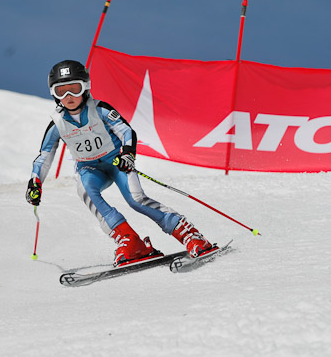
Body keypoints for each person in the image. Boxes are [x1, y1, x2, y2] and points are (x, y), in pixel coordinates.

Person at [26, 60, 214, 267]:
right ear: (53, 94)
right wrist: (35, 182)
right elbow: (44, 156)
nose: (68, 96)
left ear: (86, 87)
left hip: (116, 162)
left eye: (74, 88)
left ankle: (190, 234)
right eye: (61, 91)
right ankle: (132, 243)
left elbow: (126, 131)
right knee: (86, 191)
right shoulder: (57, 124)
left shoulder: (100, 109)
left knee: (136, 199)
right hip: (89, 169)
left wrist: (127, 155)